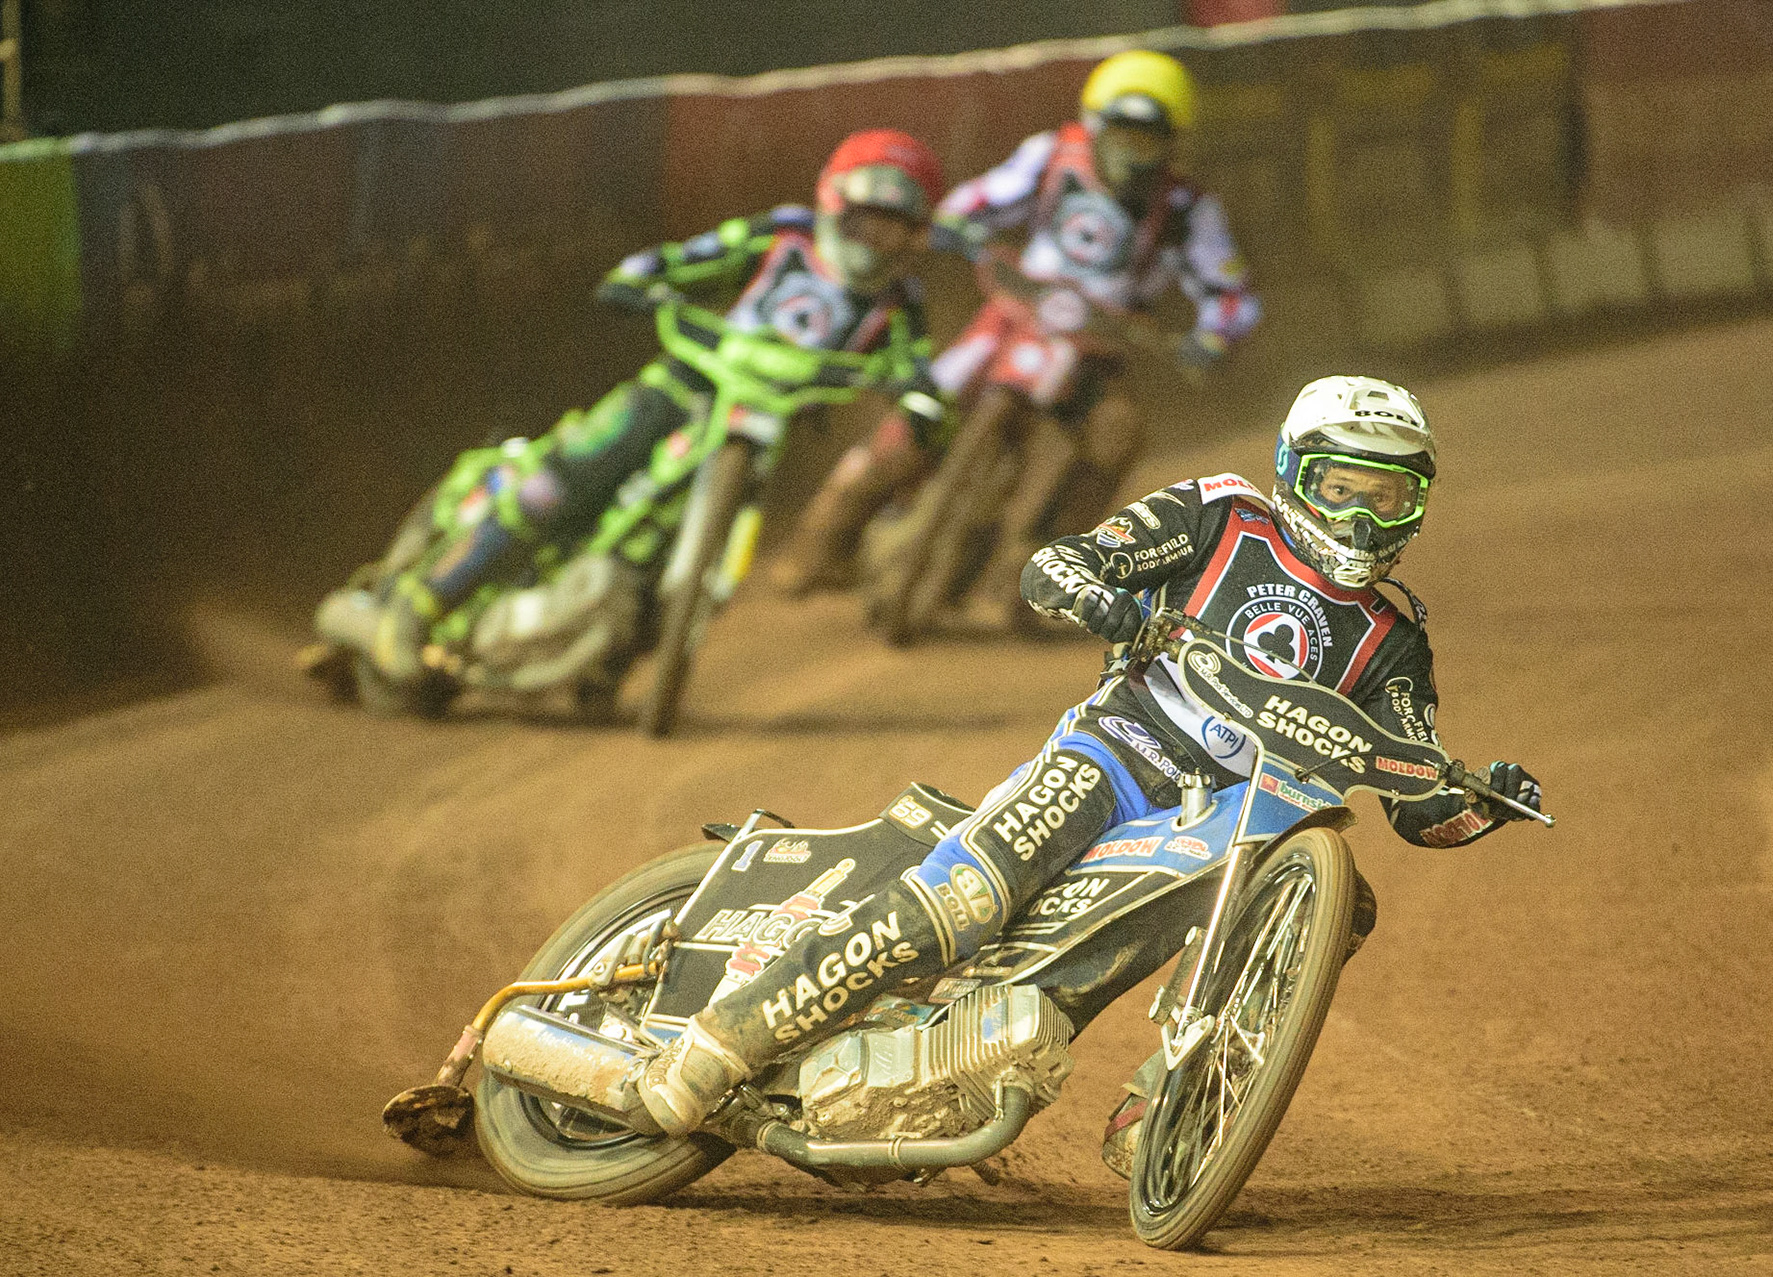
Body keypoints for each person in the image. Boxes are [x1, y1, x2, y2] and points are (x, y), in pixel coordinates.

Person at [634, 375, 1545, 1170]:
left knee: (1340, 902)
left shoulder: (1396, 639)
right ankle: (728, 1036)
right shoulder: (1222, 513)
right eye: (1339, 488)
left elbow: (1416, 799)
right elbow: (1057, 564)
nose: (1358, 518)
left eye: (1388, 498)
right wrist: (1108, 604)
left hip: (1232, 821)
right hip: (1119, 750)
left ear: (1418, 505)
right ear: (1292, 472)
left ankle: (1167, 1105)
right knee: (967, 902)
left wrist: (1481, 803)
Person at [368, 129, 950, 684]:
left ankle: (613, 654)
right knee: (565, 478)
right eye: (866, 222)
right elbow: (687, 258)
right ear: (834, 204)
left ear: (915, 238)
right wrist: (641, 277)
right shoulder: (778, 238)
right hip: (681, 386)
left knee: (674, 541)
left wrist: (922, 401)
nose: (874, 242)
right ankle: (418, 605)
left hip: (764, 425)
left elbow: (916, 364)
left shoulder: (899, 303)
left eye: (893, 231)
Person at [771, 49, 1261, 603]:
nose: (1131, 152)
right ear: (1094, 125)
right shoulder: (1052, 155)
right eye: (1121, 133)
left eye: (1147, 139)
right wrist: (956, 225)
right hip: (1013, 315)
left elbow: (1231, 294)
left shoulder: (1189, 208)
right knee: (925, 402)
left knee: (1117, 432)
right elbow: (980, 199)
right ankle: (825, 536)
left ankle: (1047, 570)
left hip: (1096, 345)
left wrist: (1214, 337)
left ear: (1173, 143)